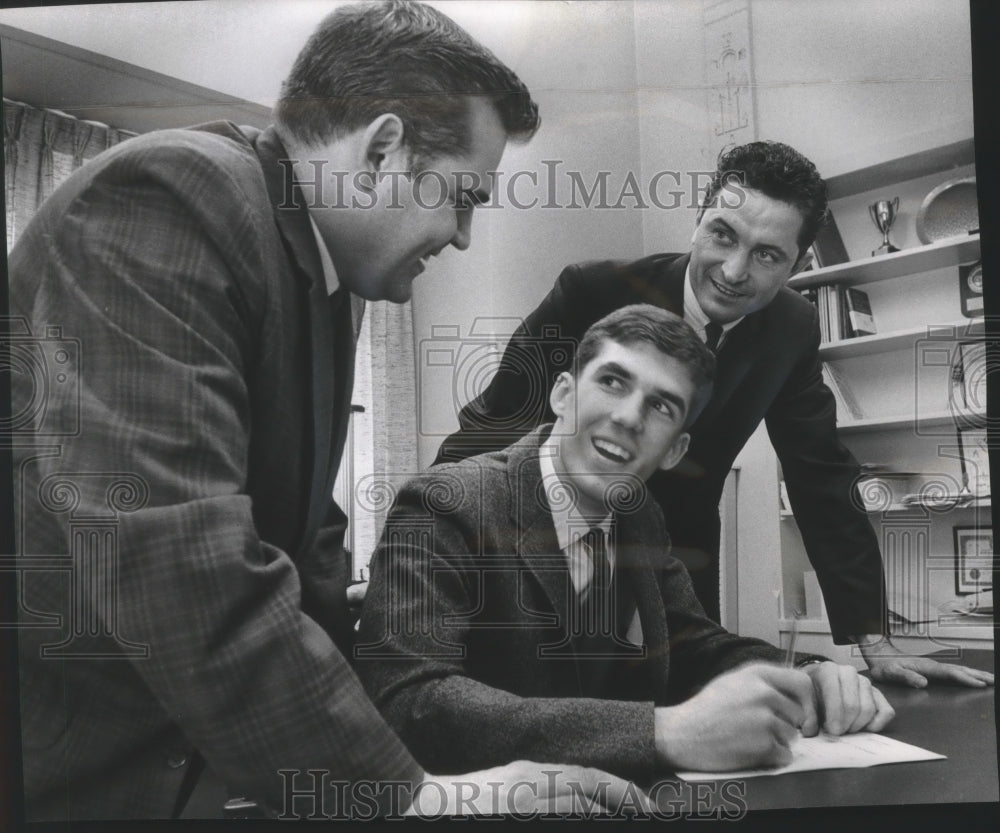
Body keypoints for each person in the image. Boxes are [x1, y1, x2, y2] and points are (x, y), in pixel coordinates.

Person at [10, 0, 642, 820]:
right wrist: (408, 796)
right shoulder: (172, 193)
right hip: (66, 773)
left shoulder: (319, 270)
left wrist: (412, 738)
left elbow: (303, 543)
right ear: (382, 148)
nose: (461, 237)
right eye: (463, 198)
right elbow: (178, 556)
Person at [434, 141, 993, 690]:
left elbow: (820, 472)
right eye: (722, 235)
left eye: (766, 254)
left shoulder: (792, 328)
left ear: (797, 265)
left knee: (698, 693)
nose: (732, 269)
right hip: (545, 535)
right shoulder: (592, 290)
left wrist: (874, 642)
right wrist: (425, 548)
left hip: (682, 545)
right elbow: (492, 427)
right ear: (698, 222)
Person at [357, 304, 895, 779]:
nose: (628, 418)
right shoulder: (444, 502)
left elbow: (692, 643)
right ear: (564, 393)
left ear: (675, 451)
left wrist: (808, 675)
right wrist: (665, 732)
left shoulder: (639, 516)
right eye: (613, 381)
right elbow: (411, 702)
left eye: (662, 406)